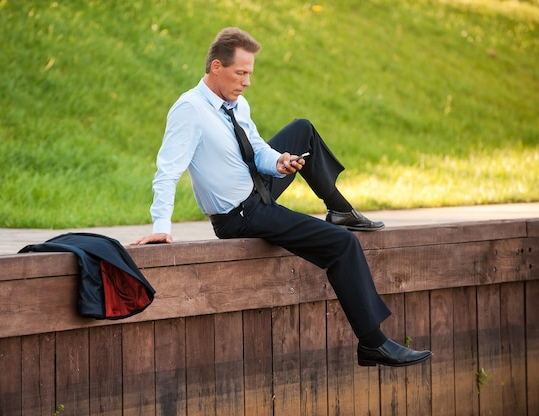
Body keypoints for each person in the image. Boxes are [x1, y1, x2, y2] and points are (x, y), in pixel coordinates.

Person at [132, 27, 432, 367]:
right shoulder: (190, 110)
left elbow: (257, 147)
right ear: (217, 67)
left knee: (301, 129)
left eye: (250, 73)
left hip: (258, 189)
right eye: (241, 73)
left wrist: (279, 162)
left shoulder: (236, 103)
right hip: (241, 216)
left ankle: (339, 209)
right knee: (343, 245)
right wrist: (161, 224)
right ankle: (372, 343)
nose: (247, 81)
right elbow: (168, 170)